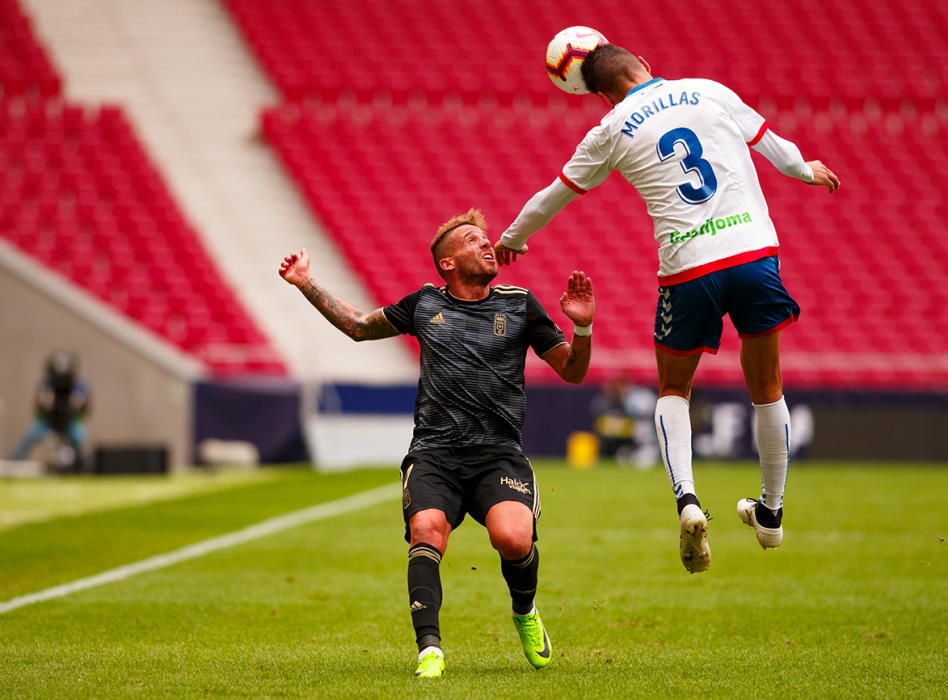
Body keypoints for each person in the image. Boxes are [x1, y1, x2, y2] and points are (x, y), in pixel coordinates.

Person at [494, 42, 840, 574]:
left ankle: (688, 502)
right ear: (646, 67)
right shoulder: (707, 89)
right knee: (767, 385)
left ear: (601, 95)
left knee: (674, 390)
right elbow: (772, 145)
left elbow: (552, 195)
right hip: (752, 254)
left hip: (689, 268)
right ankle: (770, 513)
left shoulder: (609, 130)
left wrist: (512, 239)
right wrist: (805, 171)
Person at [278, 208, 595, 678]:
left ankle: (525, 611)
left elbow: (573, 371)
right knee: (427, 529)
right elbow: (361, 327)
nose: (486, 244)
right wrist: (305, 282)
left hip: (497, 452)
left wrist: (583, 328)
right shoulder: (424, 305)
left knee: (512, 538)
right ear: (446, 263)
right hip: (435, 453)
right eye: (471, 240)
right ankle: (430, 649)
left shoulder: (521, 304)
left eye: (485, 238)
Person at [13, 350, 90, 470]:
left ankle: (80, 468)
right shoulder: (45, 384)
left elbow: (85, 410)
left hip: (71, 422)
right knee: (30, 434)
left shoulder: (80, 385)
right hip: (47, 422)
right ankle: (14, 464)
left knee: (80, 436)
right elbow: (38, 407)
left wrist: (74, 407)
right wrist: (47, 406)